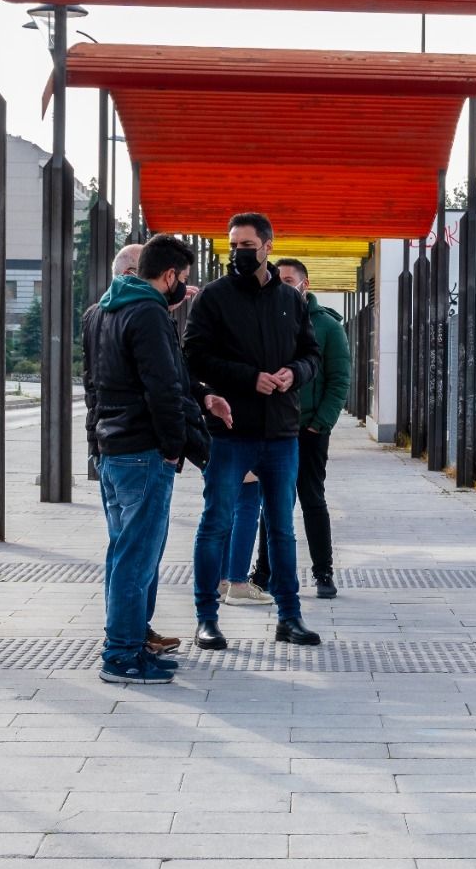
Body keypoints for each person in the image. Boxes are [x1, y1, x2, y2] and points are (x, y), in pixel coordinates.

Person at [83, 233, 231, 684]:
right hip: (143, 452)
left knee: (123, 553)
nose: (180, 290)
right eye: (181, 280)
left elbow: (94, 385)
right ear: (169, 275)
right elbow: (163, 387)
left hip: (113, 449)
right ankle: (122, 654)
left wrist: (95, 443)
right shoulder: (147, 312)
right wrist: (174, 449)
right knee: (137, 557)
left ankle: (127, 643)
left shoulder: (102, 311)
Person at [184, 212, 322, 650]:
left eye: (246, 245)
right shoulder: (213, 298)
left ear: (267, 245)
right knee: (215, 523)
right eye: (234, 245)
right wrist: (248, 378)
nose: (238, 252)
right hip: (231, 432)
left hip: (282, 432)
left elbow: (312, 356)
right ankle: (207, 617)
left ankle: (290, 616)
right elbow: (194, 356)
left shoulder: (292, 300)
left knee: (282, 528)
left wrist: (292, 374)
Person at [230, 258, 350, 600]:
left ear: (304, 284)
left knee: (312, 499)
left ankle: (323, 572)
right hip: (274, 430)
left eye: (288, 280)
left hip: (311, 429)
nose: (281, 286)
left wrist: (320, 424)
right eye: (276, 280)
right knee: (273, 503)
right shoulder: (265, 319)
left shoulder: (327, 326)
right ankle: (264, 572)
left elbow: (340, 379)